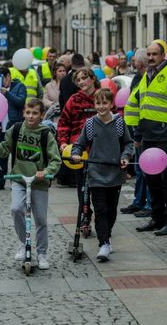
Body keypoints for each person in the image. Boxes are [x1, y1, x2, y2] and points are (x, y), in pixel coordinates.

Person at [0, 99, 61, 270]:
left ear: (41, 115)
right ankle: (23, 243)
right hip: (19, 179)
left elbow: (56, 160)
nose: (31, 116)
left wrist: (46, 171)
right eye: (28, 112)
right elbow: (5, 148)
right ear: (23, 113)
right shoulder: (16, 129)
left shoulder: (46, 134)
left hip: (39, 182)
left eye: (35, 113)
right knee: (16, 209)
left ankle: (42, 253)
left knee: (40, 219)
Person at [125, 42, 167, 235]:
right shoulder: (147, 76)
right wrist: (138, 134)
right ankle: (157, 218)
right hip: (148, 136)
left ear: (163, 55)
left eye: (154, 54)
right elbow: (141, 105)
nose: (151, 58)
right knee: (152, 180)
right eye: (149, 54)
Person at [71, 88, 133, 261]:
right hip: (95, 174)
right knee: (100, 210)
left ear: (111, 104)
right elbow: (79, 144)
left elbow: (128, 144)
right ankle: (103, 243)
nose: (101, 106)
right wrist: (76, 153)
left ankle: (107, 235)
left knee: (111, 211)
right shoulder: (90, 124)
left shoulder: (119, 123)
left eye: (104, 103)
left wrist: (125, 156)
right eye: (98, 103)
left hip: (115, 174)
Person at [57, 68, 100, 221]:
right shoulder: (74, 100)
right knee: (82, 188)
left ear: (93, 79)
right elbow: (63, 123)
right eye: (78, 80)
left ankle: (101, 219)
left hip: (99, 150)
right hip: (78, 150)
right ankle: (85, 215)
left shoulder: (102, 97)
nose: (81, 82)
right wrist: (63, 142)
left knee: (99, 189)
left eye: (84, 78)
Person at [120, 49, 153, 217]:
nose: (133, 62)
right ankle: (138, 201)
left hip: (143, 131)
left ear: (139, 63)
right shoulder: (138, 78)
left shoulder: (148, 79)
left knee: (147, 169)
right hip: (135, 130)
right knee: (140, 169)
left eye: (135, 60)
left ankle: (149, 204)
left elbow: (144, 107)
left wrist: (138, 133)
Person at [0, 66, 26, 191]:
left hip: (15, 125)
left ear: (8, 76)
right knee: (2, 155)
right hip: (2, 126)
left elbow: (20, 102)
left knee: (16, 156)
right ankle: (0, 182)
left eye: (3, 79)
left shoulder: (20, 86)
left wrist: (7, 93)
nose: (1, 82)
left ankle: (15, 182)